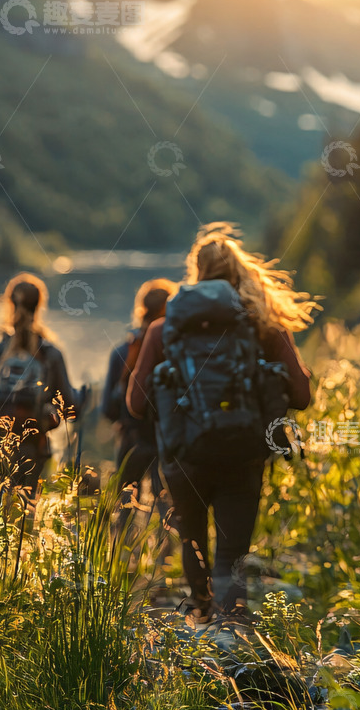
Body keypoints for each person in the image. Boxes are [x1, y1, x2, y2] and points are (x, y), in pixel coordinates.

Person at [127, 224, 316, 622]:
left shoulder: (164, 329)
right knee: (232, 552)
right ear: (239, 271)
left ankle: (203, 618)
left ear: (196, 272)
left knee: (192, 539)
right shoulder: (263, 325)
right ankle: (230, 633)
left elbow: (135, 404)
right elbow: (302, 396)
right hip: (243, 452)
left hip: (183, 456)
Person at [0, 272, 81, 498]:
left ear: (9, 303)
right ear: (40, 305)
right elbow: (71, 409)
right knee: (26, 519)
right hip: (35, 447)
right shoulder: (51, 355)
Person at [101, 278, 176, 518]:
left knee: (125, 504)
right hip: (168, 440)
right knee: (167, 503)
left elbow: (108, 408)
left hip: (131, 440)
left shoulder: (123, 351)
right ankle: (165, 553)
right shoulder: (177, 352)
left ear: (141, 309)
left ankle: (121, 551)